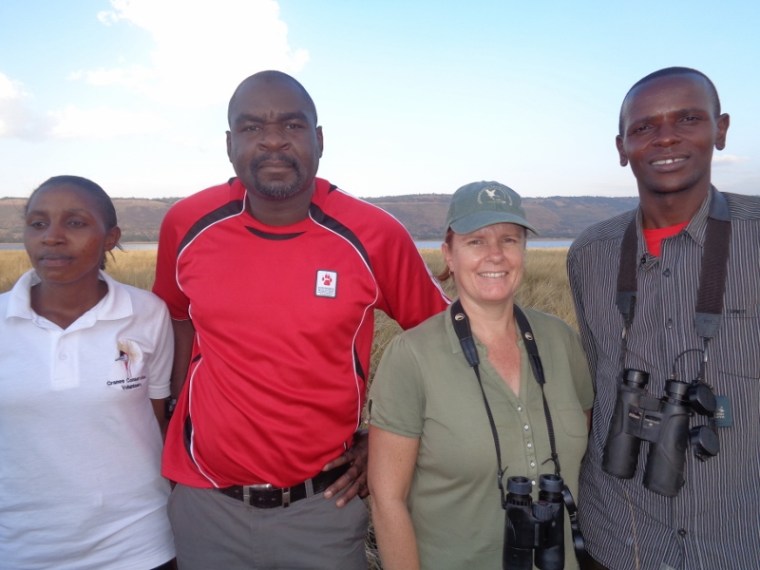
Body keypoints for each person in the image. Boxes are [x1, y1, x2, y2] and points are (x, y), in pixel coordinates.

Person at [152, 69, 449, 569]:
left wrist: (383, 439)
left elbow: (440, 339)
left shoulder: (373, 234)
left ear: (319, 139)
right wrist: (177, 412)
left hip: (323, 510)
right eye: (251, 128)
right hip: (206, 506)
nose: (271, 140)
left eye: (291, 125)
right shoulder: (187, 224)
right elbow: (177, 321)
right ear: (229, 144)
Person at [568, 67, 760, 570]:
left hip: (738, 541)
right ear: (621, 146)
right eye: (644, 127)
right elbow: (592, 387)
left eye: (688, 118)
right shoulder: (591, 254)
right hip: (620, 540)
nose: (666, 137)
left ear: (721, 129)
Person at [368, 180, 594, 570]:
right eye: (475, 241)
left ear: (523, 250)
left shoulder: (562, 341)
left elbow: (587, 455)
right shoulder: (412, 357)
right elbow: (387, 499)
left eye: (509, 240)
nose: (495, 255)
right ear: (449, 255)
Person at [0, 175, 175, 569]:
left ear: (111, 237)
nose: (52, 237)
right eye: (38, 223)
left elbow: (156, 417)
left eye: (75, 223)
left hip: (139, 544)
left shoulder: (147, 312)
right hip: (21, 547)